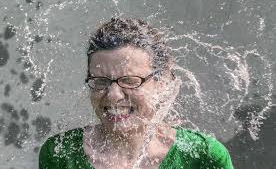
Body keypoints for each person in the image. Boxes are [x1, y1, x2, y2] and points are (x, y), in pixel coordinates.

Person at [39, 18, 234, 169]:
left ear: (163, 82)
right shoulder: (60, 153)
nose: (113, 95)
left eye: (130, 81)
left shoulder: (204, 156)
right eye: (100, 81)